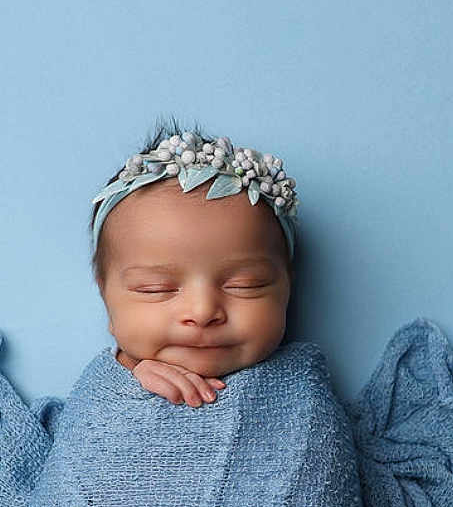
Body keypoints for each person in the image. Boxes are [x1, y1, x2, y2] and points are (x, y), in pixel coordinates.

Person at [88, 118, 297, 407]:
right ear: (105, 296)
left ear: (288, 286)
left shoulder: (302, 384)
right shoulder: (103, 393)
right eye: (155, 288)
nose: (202, 312)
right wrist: (127, 378)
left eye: (245, 284)